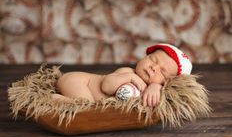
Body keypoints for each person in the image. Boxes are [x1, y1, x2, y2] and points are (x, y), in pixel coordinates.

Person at [52, 43, 192, 107]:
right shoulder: (127, 72)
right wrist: (130, 78)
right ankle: (57, 100)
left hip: (77, 84)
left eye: (162, 71)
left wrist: (155, 87)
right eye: (152, 59)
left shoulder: (155, 88)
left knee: (88, 107)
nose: (153, 67)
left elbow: (154, 96)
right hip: (77, 81)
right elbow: (106, 86)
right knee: (87, 107)